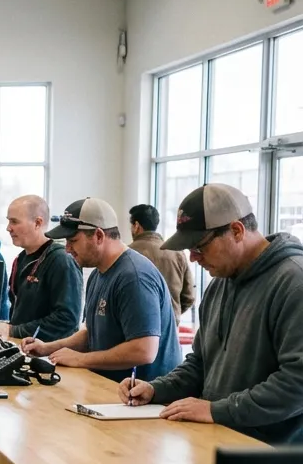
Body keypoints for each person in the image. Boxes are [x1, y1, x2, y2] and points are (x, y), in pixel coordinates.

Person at [119, 185, 303, 442]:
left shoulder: (294, 282)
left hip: (271, 458)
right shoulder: (219, 284)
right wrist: (155, 388)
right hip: (215, 440)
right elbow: (201, 363)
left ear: (237, 231)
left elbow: (296, 383)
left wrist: (217, 410)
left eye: (199, 247)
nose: (193, 258)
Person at [22, 197, 181, 384]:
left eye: (73, 240)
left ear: (99, 236)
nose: (67, 249)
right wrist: (47, 348)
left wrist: (80, 359)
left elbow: (144, 350)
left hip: (147, 401)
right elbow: (93, 333)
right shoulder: (99, 274)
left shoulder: (134, 277)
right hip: (112, 392)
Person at [0, 195, 82, 343]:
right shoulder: (20, 259)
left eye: (14, 221)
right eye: (8, 221)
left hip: (50, 355)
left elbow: (66, 319)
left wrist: (14, 330)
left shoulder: (61, 260)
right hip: (22, 347)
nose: (8, 228)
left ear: (37, 223)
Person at [128, 203, 195, 323]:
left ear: (136, 226)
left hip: (137, 330)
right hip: (170, 330)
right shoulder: (177, 253)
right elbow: (189, 297)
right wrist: (171, 314)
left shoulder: (127, 254)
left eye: (131, 226)